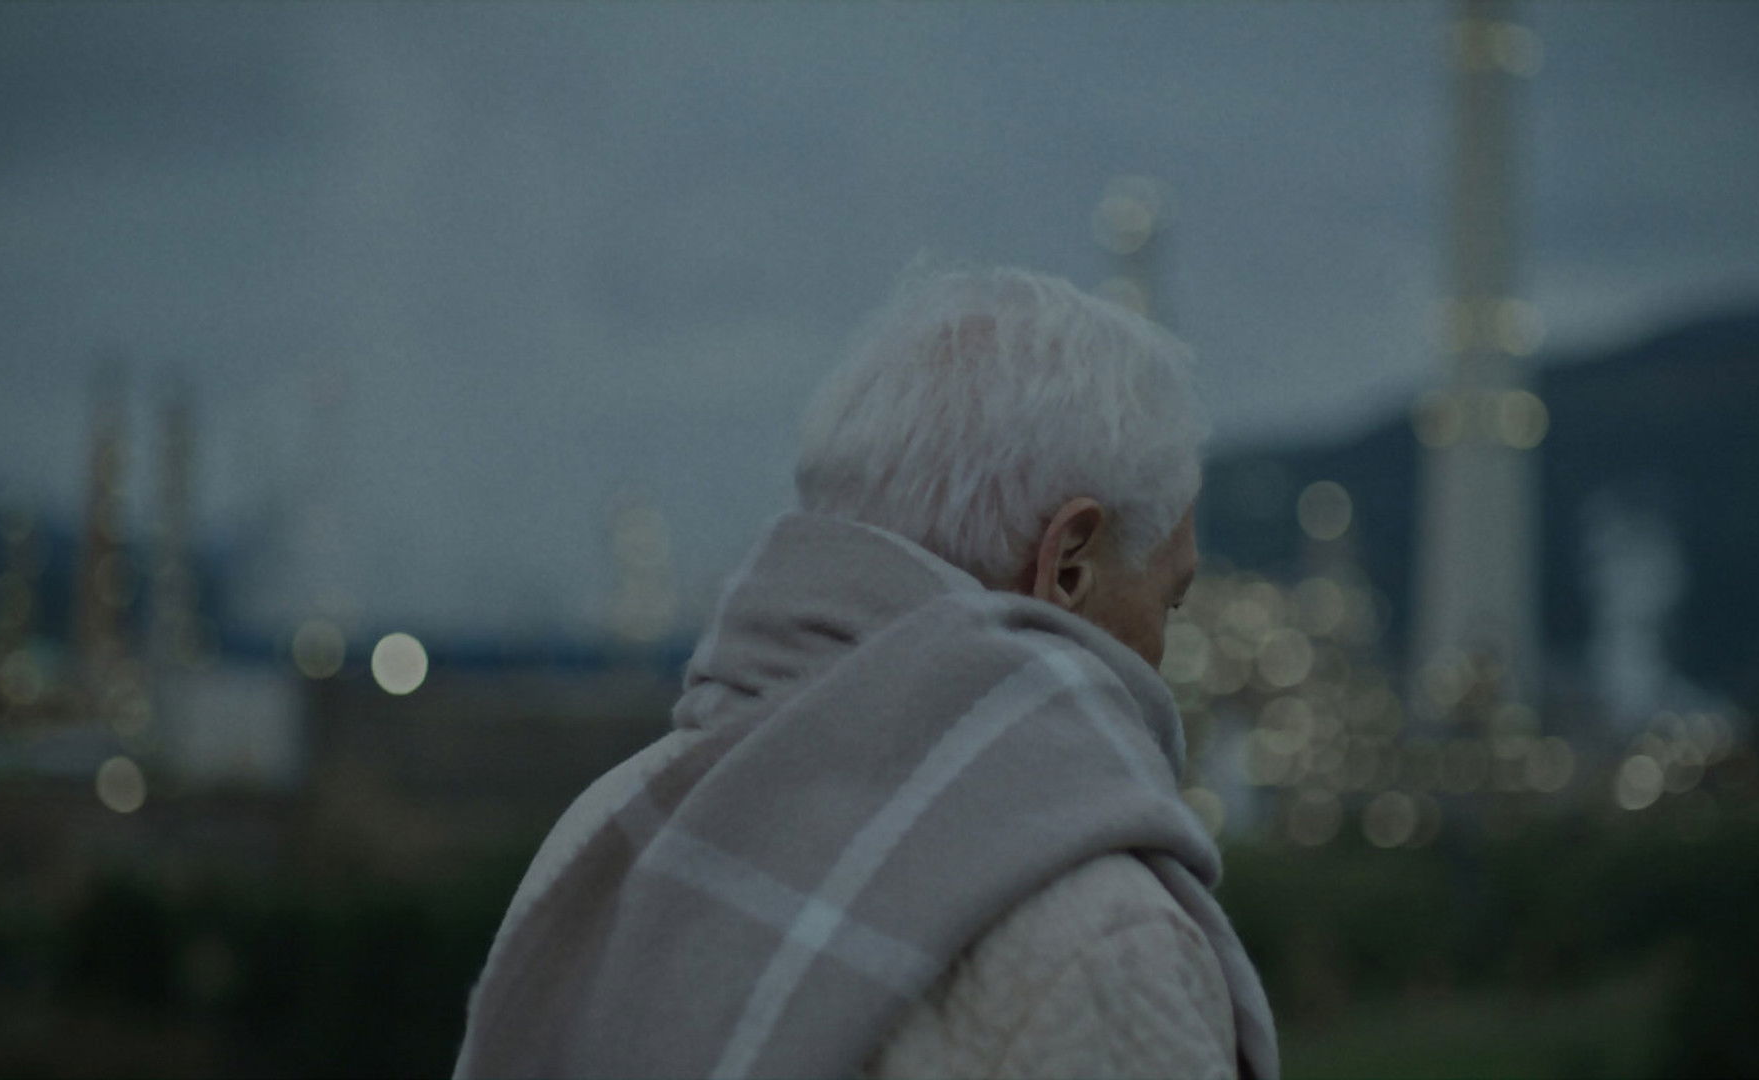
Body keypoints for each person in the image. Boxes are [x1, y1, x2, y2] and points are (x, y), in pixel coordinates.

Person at [453, 264, 1278, 1079]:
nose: (1163, 651)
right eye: (1169, 600)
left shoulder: (605, 834)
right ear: (1067, 566)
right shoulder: (1107, 944)